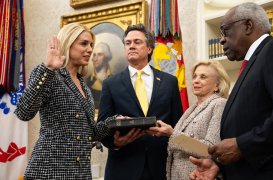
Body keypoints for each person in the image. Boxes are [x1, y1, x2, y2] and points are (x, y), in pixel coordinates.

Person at [190, 2, 273, 180]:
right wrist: (218, 166)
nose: (221, 39)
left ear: (248, 26)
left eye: (225, 31)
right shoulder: (251, 65)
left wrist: (242, 146)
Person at [15, 22, 113, 179]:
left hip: (79, 173)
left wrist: (113, 122)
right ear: (68, 43)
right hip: (49, 172)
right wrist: (47, 68)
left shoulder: (84, 86)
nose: (89, 49)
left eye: (91, 45)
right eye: (83, 43)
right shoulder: (49, 74)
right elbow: (23, 112)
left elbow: (86, 132)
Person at [97, 24, 183, 180]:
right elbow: (102, 126)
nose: (131, 46)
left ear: (149, 48)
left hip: (161, 168)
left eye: (137, 42)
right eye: (128, 43)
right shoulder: (110, 84)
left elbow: (179, 124)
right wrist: (115, 143)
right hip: (123, 168)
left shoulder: (169, 82)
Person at [147, 60, 230, 180]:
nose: (196, 80)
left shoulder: (219, 104)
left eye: (203, 77)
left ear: (217, 85)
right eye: (195, 76)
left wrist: (172, 133)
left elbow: (211, 150)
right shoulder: (191, 109)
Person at [86, 42, 113, 109]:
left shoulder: (114, 79)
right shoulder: (88, 81)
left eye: (99, 54)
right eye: (94, 55)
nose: (95, 59)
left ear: (106, 57)